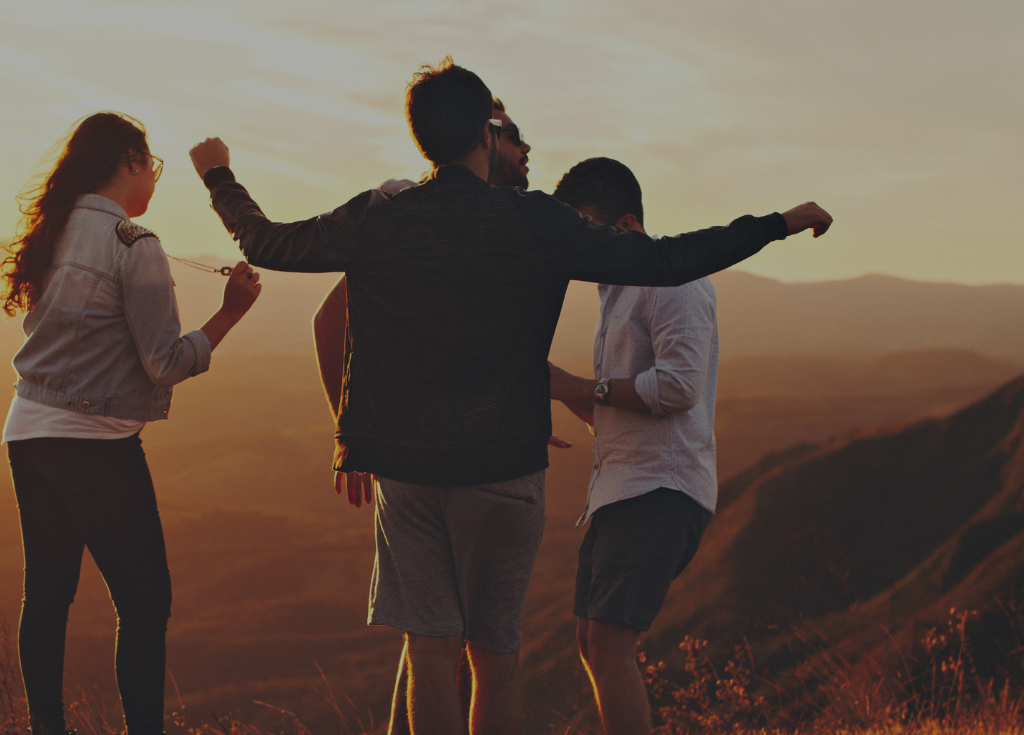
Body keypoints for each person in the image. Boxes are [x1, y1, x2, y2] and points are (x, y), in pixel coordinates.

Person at [189, 58, 831, 735]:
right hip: (504, 467)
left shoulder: (379, 217)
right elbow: (665, 259)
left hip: (405, 470)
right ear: (486, 135)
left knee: (429, 649)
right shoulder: (534, 221)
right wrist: (776, 223)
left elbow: (267, 242)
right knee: (495, 658)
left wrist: (218, 175)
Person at [0, 111, 261, 735]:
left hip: (26, 429)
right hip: (94, 443)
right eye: (153, 167)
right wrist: (231, 314)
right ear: (130, 163)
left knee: (49, 596)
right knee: (145, 603)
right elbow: (164, 363)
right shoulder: (134, 245)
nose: (154, 181)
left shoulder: (54, 231)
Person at [311, 96, 536, 735]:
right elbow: (330, 321)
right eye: (515, 136)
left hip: (467, 460)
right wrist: (350, 432)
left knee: (437, 644)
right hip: (427, 463)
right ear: (483, 138)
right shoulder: (406, 208)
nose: (526, 152)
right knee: (453, 648)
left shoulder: (511, 223)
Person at [549, 157, 719, 735]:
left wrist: (573, 386)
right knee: (591, 643)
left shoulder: (675, 280)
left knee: (608, 643)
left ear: (624, 226)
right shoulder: (614, 292)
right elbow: (619, 413)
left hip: (661, 487)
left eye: (585, 231)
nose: (577, 248)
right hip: (622, 488)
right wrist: (554, 387)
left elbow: (677, 388)